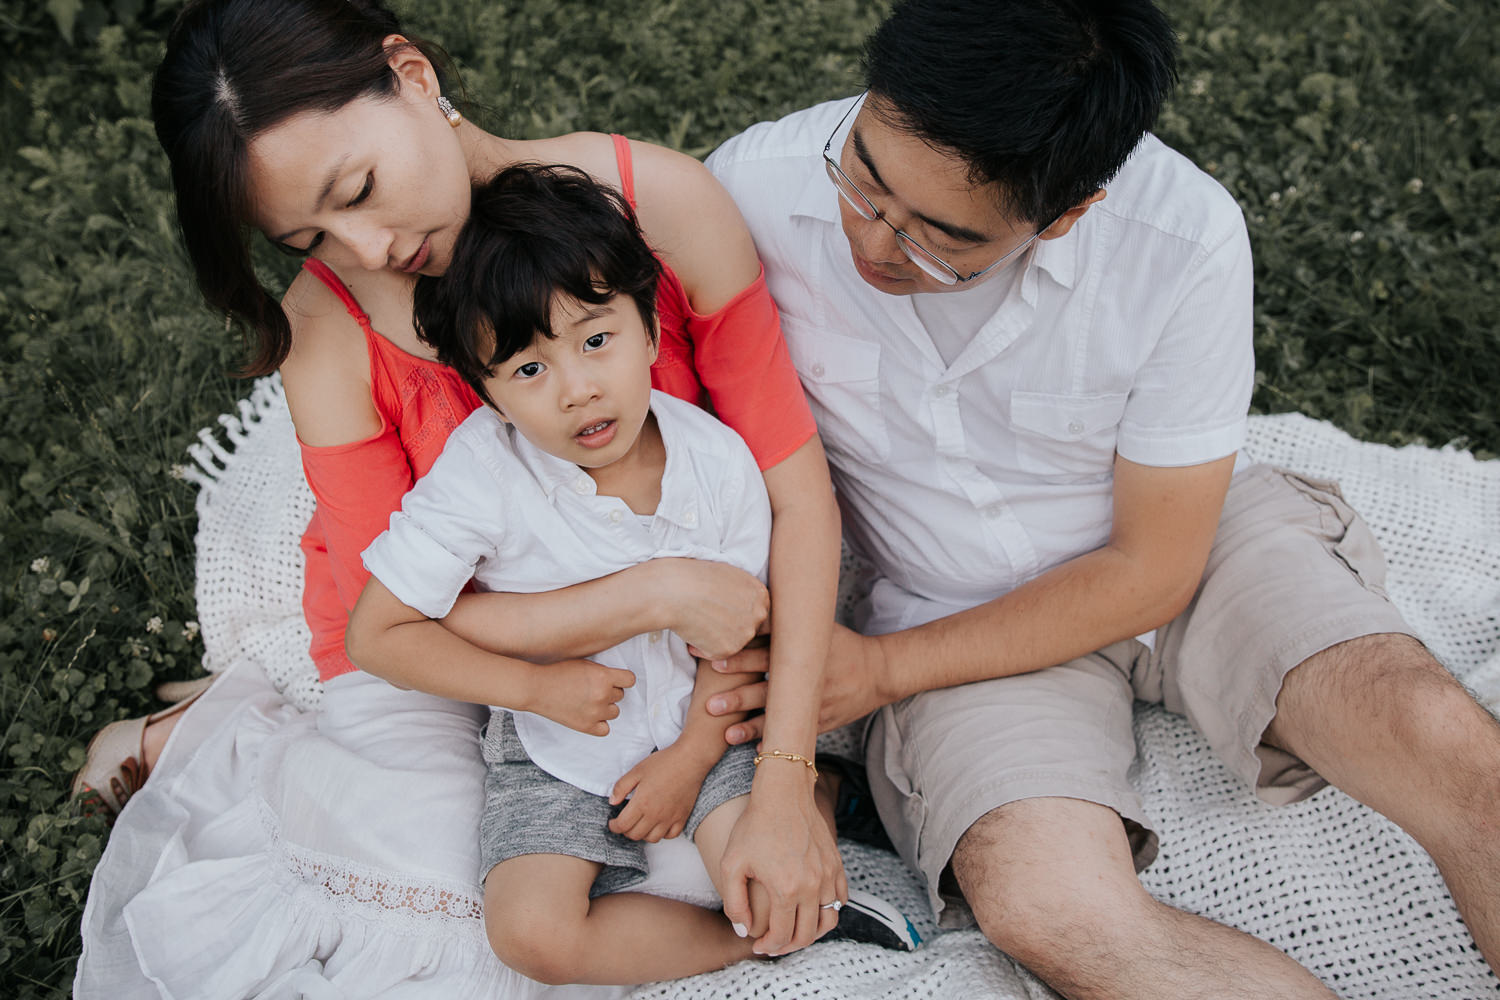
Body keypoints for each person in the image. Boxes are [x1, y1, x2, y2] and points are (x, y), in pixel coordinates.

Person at [703, 0, 1500, 996]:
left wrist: (878, 671)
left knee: (1452, 752)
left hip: (1189, 551)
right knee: (1057, 911)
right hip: (954, 614)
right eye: (863, 181)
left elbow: (1153, 567)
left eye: (943, 241)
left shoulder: (1184, 235)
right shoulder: (750, 190)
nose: (872, 243)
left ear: (1072, 209)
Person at [74, 0, 846, 993]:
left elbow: (798, 499)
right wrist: (649, 595)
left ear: (415, 77)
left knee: (712, 851)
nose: (367, 244)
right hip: (456, 651)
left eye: (359, 188)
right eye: (313, 231)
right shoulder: (335, 318)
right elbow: (393, 622)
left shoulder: (659, 202)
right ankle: (202, 736)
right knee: (449, 898)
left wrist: (785, 773)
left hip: (693, 618)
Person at [347, 164, 917, 984]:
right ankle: (739, 941)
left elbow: (738, 637)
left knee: (757, 876)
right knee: (531, 935)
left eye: (596, 340)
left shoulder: (714, 463)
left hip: (708, 719)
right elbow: (377, 636)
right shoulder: (480, 474)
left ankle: (806, 839)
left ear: (649, 331)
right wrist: (534, 691)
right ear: (489, 395)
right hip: (554, 740)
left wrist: (688, 758)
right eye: (529, 371)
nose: (578, 390)